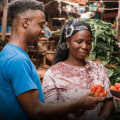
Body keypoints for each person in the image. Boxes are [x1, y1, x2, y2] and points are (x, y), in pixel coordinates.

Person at [0, 0, 105, 120]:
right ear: (25, 22)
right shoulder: (18, 60)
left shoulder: (6, 54)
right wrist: (79, 103)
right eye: (41, 25)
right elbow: (36, 111)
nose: (43, 31)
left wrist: (58, 105)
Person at [42, 19, 114, 120]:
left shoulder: (99, 69)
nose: (85, 46)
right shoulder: (53, 73)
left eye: (88, 42)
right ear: (68, 42)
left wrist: (103, 116)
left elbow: (109, 100)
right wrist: (77, 105)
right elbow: (49, 109)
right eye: (79, 41)